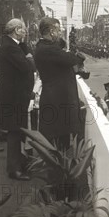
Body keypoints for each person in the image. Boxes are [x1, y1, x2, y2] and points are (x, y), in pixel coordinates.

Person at [34, 17, 84, 149]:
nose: (60, 33)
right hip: (57, 101)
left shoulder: (44, 47)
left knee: (61, 137)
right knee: (59, 143)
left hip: (56, 100)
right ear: (52, 31)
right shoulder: (48, 49)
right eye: (58, 30)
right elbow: (72, 59)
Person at [0, 19, 35, 180]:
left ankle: (19, 163)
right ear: (16, 30)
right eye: (23, 29)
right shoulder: (10, 47)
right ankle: (14, 169)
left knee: (18, 130)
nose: (25, 31)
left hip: (16, 97)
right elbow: (28, 67)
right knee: (14, 132)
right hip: (13, 98)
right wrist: (29, 58)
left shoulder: (14, 45)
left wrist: (26, 52)